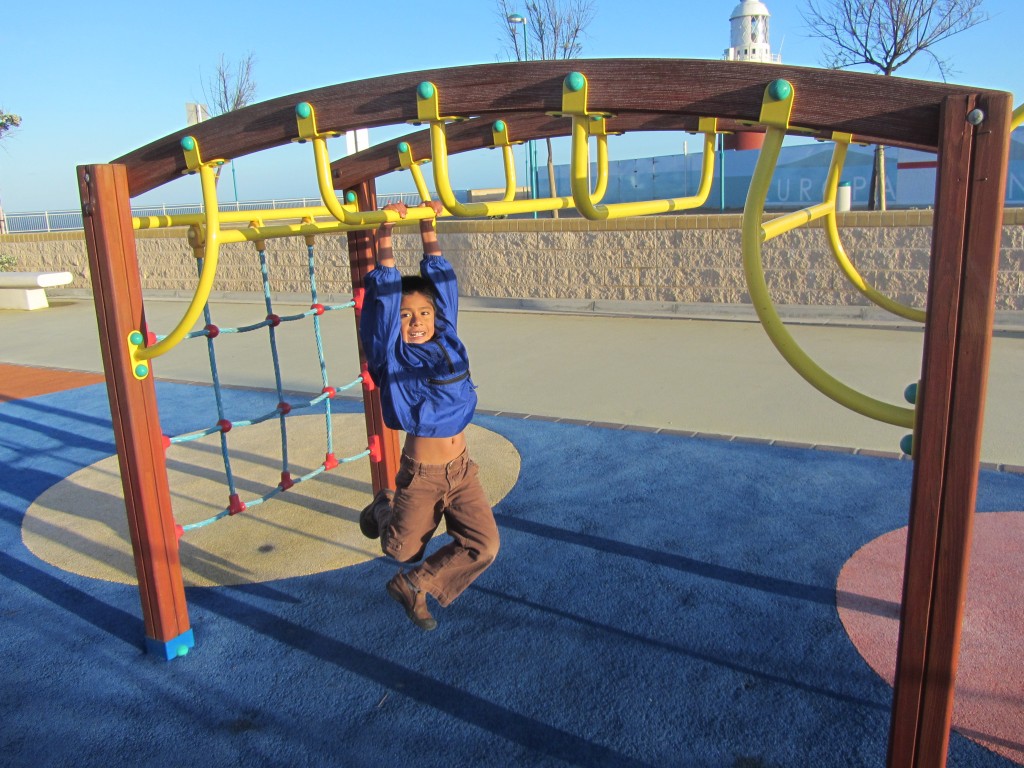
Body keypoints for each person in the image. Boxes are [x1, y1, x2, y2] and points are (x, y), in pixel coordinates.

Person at [357, 199, 500, 631]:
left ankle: (416, 585)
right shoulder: (392, 355)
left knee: (485, 546)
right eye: (406, 316)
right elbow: (383, 297)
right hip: (422, 475)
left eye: (424, 313)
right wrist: (384, 228)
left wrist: (427, 224)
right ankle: (385, 506)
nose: (416, 321)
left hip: (462, 470)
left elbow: (441, 280)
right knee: (401, 551)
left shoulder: (448, 339)